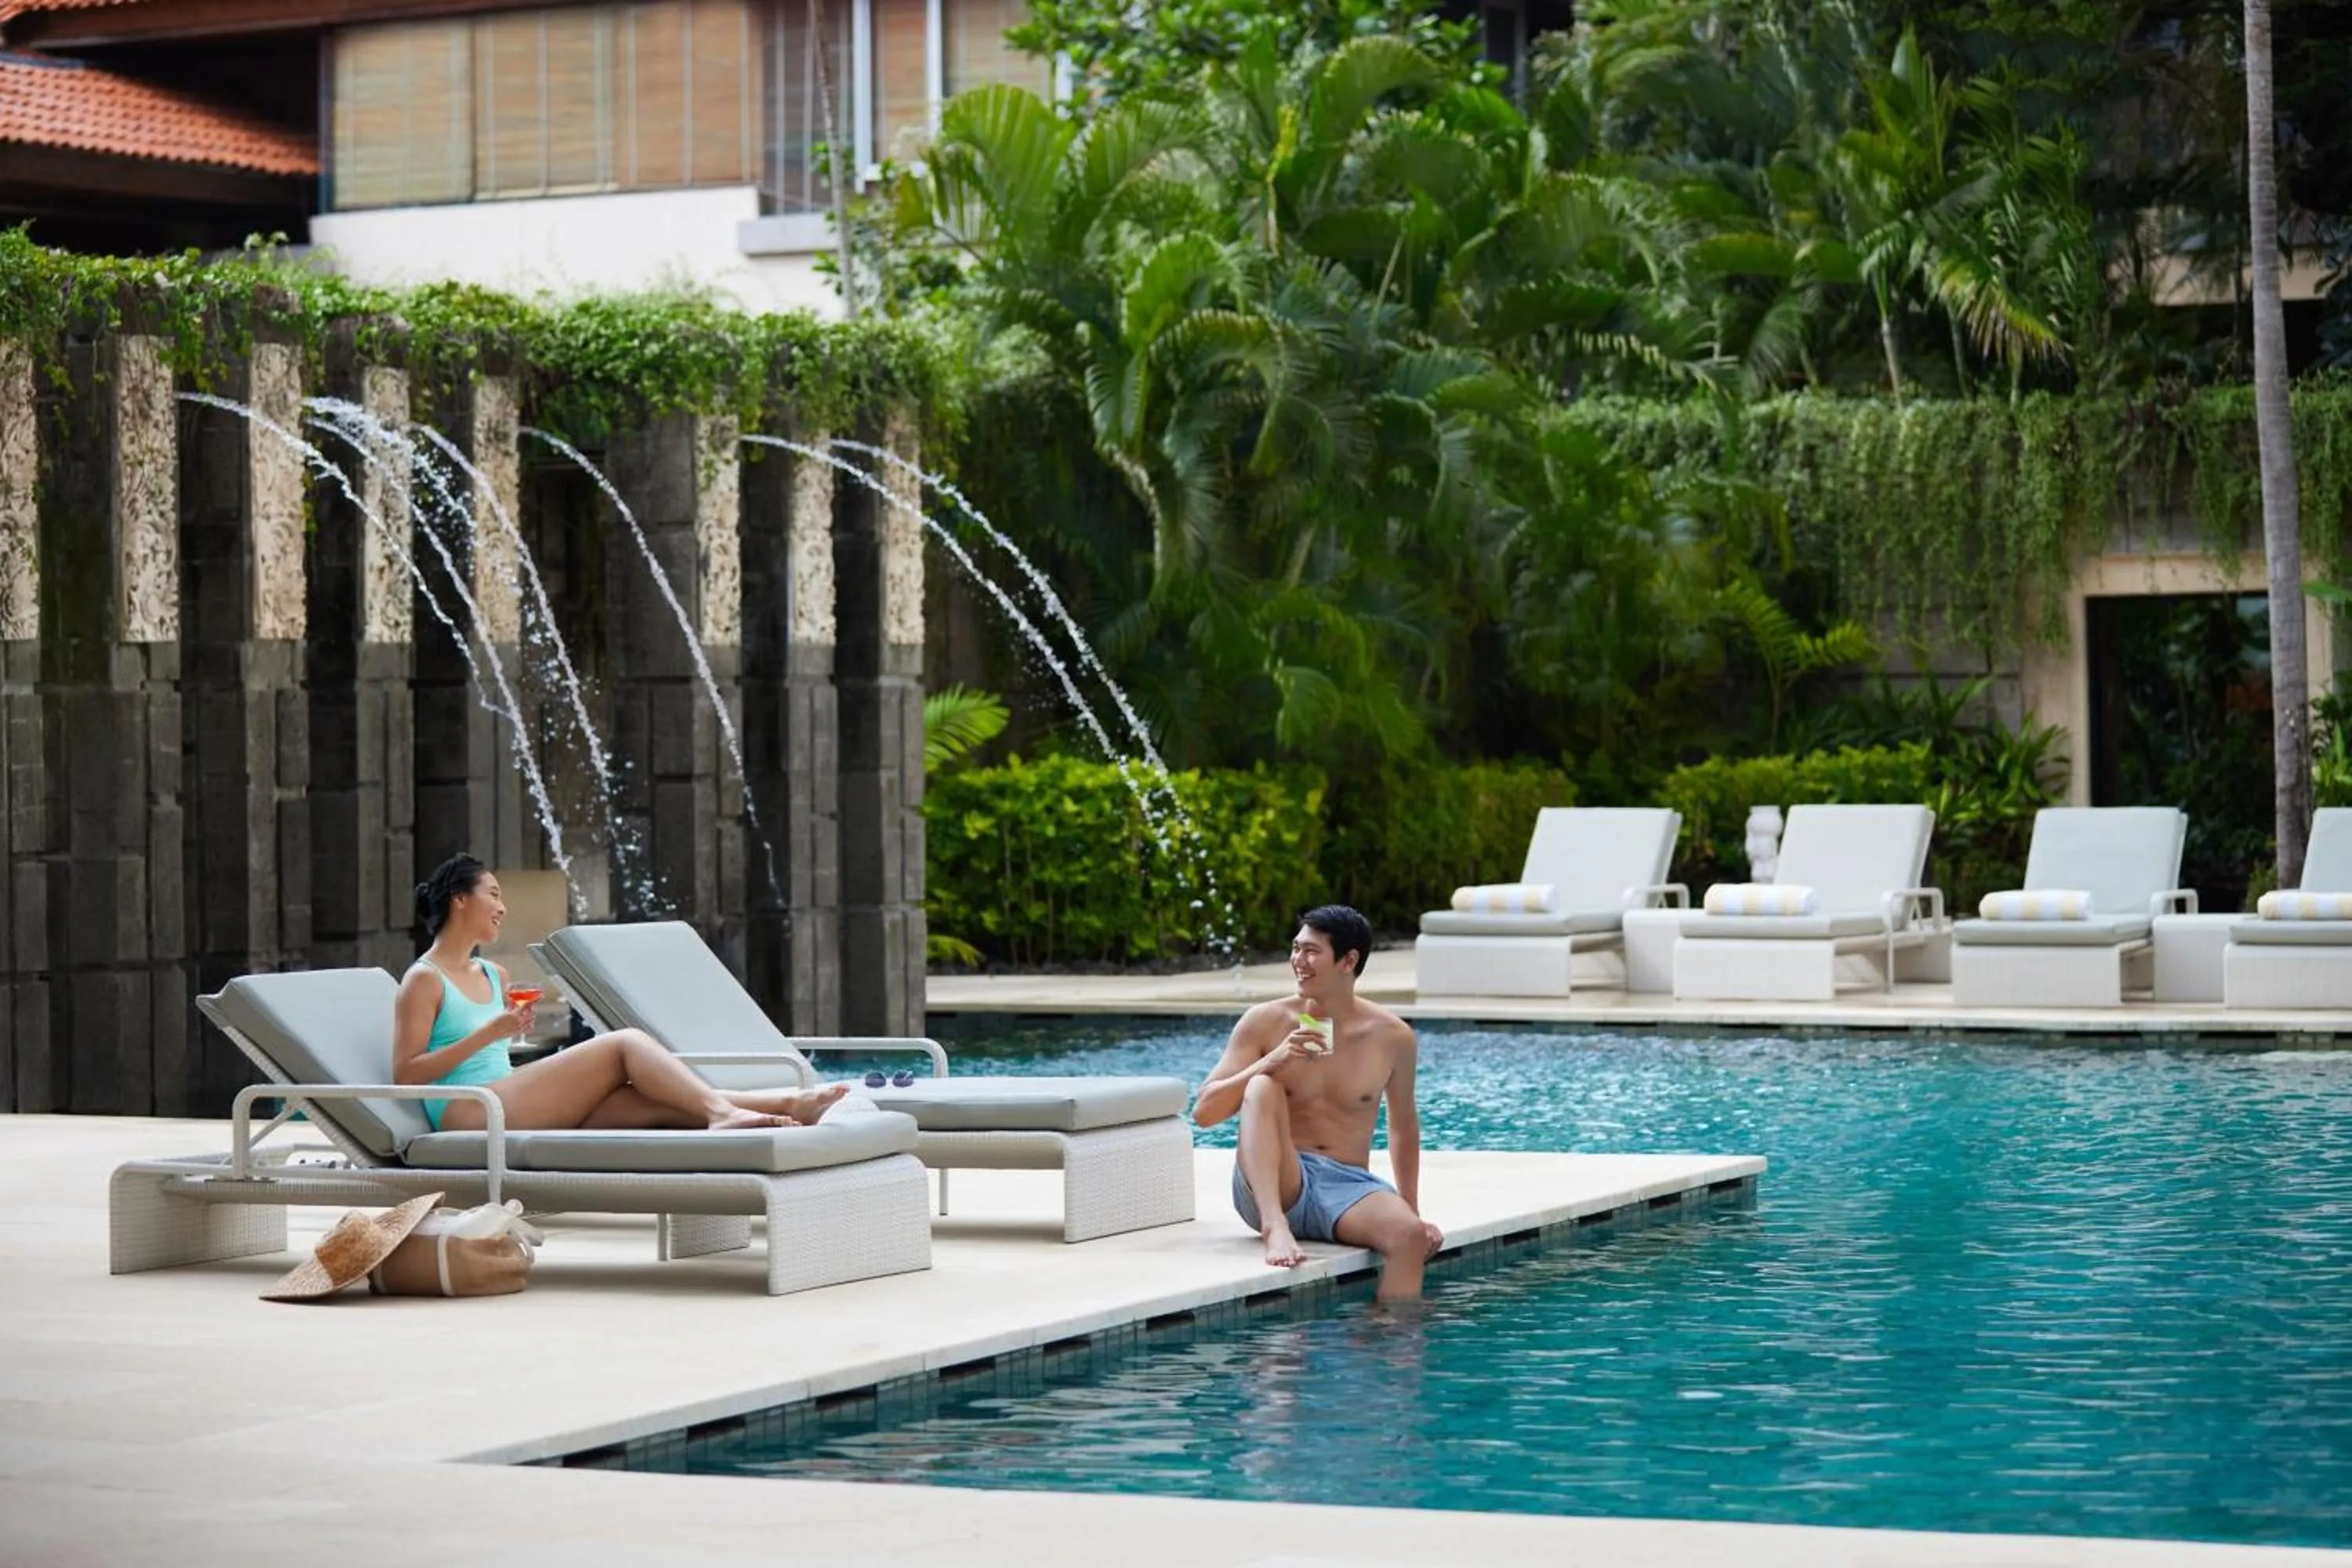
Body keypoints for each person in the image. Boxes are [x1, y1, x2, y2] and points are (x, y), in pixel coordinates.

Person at [394, 854, 848, 1134]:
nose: (503, 907)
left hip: (506, 1095)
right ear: (459, 899)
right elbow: (405, 1076)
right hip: (467, 1111)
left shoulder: (495, 973)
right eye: (492, 894)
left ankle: (787, 1105)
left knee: (645, 1099)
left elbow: (496, 1057)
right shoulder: (425, 979)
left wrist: (505, 1036)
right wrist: (489, 1032)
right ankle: (722, 1113)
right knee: (624, 1044)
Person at [1193, 905, 1444, 1302]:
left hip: (1346, 1186)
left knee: (1411, 1239)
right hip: (1275, 1181)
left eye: (1311, 952)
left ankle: (1394, 1348)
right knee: (1261, 1086)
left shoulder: (1392, 1037)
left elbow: (1403, 1126)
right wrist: (1272, 1060)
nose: (1298, 961)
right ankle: (1275, 1227)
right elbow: (1203, 1112)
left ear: (1348, 961)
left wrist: (1410, 1210)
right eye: (1295, 949)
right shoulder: (1265, 1021)